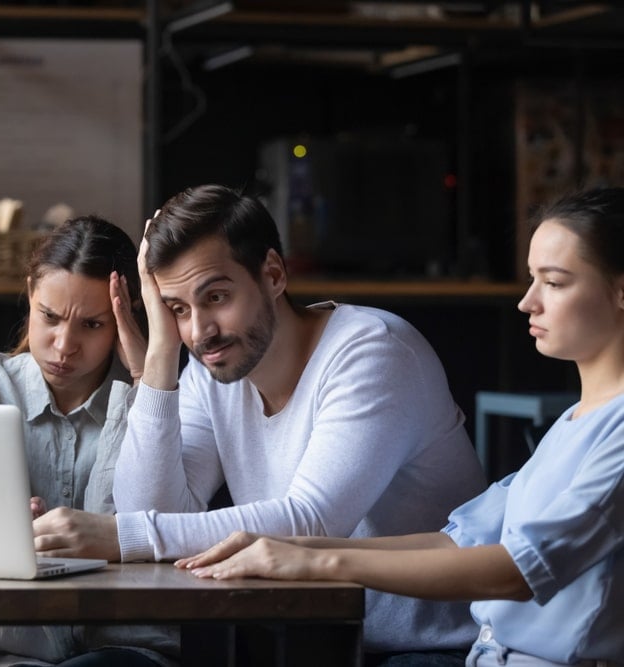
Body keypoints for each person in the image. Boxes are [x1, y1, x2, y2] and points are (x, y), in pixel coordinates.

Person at [32, 185, 488, 664]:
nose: (200, 331)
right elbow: (154, 508)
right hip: (308, 644)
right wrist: (161, 357)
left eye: (217, 296)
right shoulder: (214, 370)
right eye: (178, 309)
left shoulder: (372, 350)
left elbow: (311, 521)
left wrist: (123, 537)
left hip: (427, 652)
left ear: (273, 274)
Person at [180, 186, 624, 667]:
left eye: (554, 283)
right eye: (531, 279)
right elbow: (454, 539)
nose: (527, 302)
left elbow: (518, 568)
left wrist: (314, 561)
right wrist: (287, 544)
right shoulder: (573, 424)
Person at [0, 216, 177, 667]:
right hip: (18, 649)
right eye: (48, 317)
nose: (64, 345)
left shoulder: (157, 398)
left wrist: (140, 380)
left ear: (124, 317)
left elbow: (132, 524)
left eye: (92, 325)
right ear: (30, 293)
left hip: (129, 647)